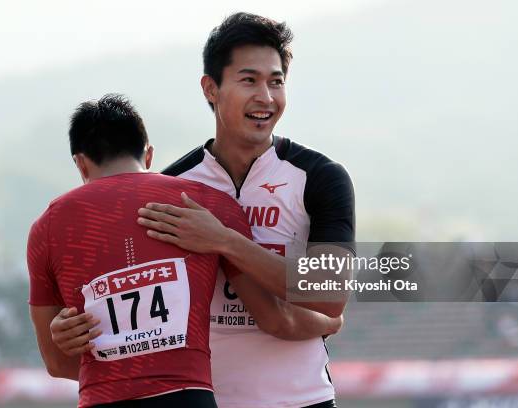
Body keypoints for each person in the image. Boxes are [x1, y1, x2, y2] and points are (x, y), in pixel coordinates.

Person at [28, 94, 343, 408]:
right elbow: (274, 319)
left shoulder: (47, 227)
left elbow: (58, 364)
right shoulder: (208, 206)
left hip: (102, 398)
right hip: (187, 398)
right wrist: (328, 322)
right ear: (149, 155)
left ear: (80, 163)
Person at [136, 12, 355, 408]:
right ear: (211, 88)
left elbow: (329, 293)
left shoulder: (321, 177)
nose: (266, 98)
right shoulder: (171, 187)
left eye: (276, 81)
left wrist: (223, 241)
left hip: (304, 401)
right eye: (249, 80)